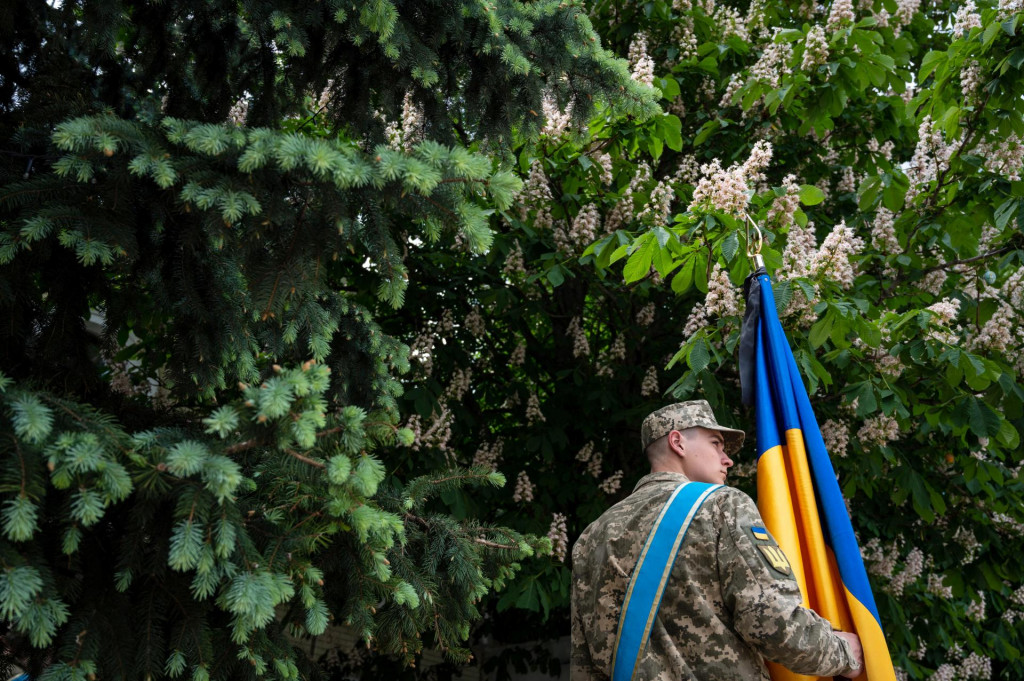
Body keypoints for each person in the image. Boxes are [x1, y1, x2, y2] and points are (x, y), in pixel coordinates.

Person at [570, 400, 864, 680]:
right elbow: (774, 624)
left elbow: (583, 663)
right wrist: (843, 654)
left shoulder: (591, 536)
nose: (729, 459)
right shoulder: (721, 505)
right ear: (677, 442)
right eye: (716, 444)